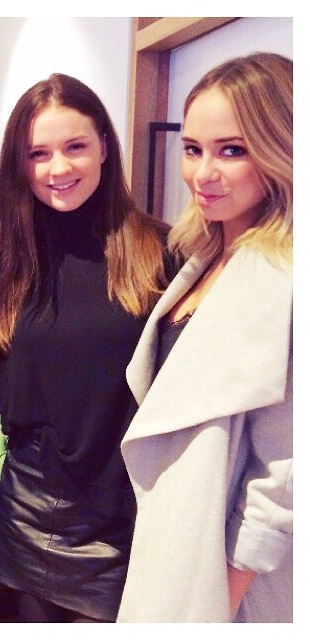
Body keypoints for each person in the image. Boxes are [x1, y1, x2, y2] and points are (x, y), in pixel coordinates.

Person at [0, 73, 175, 622]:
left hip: (123, 519)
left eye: (75, 146)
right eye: (38, 153)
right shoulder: (7, 266)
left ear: (104, 148)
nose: (58, 168)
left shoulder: (162, 255)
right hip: (24, 516)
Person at [117, 52, 293, 623]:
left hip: (230, 578)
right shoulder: (203, 254)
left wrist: (222, 597)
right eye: (192, 149)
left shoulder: (286, 277)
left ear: (283, 147)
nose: (202, 173)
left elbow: (285, 473)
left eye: (232, 150)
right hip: (175, 542)